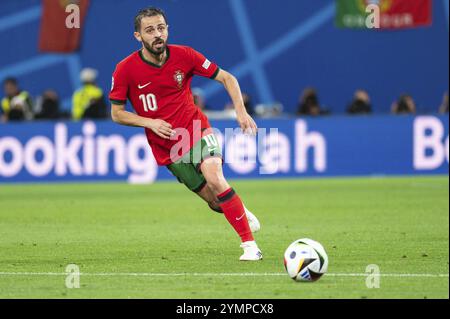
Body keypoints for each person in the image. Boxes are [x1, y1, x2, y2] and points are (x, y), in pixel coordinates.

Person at [109, 7, 262, 261]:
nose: (157, 34)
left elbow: (227, 78)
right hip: (167, 147)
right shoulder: (125, 69)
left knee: (214, 176)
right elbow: (117, 113)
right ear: (138, 36)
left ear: (167, 29)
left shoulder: (185, 55)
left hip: (195, 128)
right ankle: (239, 209)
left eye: (161, 28)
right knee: (215, 201)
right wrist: (150, 123)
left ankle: (250, 246)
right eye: (149, 30)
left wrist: (241, 112)